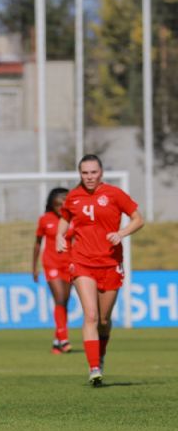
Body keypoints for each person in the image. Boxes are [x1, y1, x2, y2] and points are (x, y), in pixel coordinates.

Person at [56, 154, 144, 387]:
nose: (89, 177)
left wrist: (121, 233)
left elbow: (138, 219)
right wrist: (59, 235)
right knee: (91, 315)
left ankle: (100, 356)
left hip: (110, 263)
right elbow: (64, 218)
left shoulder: (115, 194)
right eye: (85, 173)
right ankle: (94, 368)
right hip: (82, 261)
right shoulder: (73, 196)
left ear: (101, 172)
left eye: (93, 172)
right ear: (80, 174)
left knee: (104, 319)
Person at [32, 187, 73, 354]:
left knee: (65, 302)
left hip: (69, 264)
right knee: (60, 298)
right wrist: (34, 267)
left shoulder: (73, 219)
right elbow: (37, 243)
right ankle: (64, 338)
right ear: (51, 204)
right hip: (51, 263)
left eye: (63, 205)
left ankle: (57, 343)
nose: (60, 208)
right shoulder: (45, 220)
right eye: (57, 205)